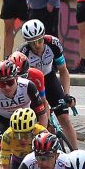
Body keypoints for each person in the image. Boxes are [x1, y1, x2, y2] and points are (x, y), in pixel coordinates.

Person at [18, 19, 77, 149]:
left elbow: (63, 71)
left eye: (39, 40)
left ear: (44, 36)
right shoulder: (23, 53)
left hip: (49, 79)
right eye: (32, 43)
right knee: (42, 121)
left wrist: (66, 94)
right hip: (33, 85)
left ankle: (75, 151)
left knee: (64, 118)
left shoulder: (53, 44)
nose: (37, 45)